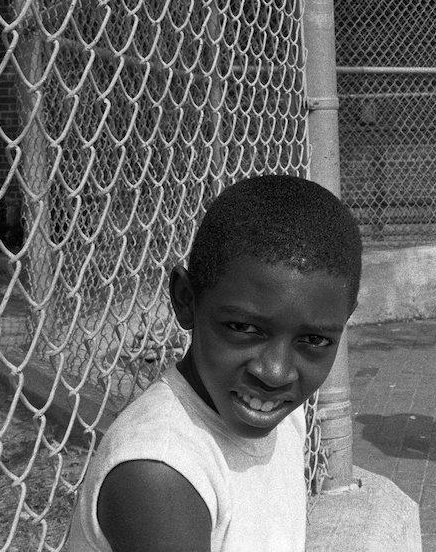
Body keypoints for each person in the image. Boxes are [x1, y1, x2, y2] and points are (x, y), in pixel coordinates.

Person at [67, 174, 363, 552]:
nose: (274, 373)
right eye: (243, 327)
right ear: (186, 298)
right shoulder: (162, 474)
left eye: (314, 340)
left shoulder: (284, 414)